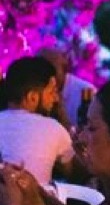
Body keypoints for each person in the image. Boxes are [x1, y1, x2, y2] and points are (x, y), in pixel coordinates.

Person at [0, 56, 83, 184]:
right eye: (52, 92)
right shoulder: (53, 128)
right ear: (32, 97)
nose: (56, 99)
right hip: (34, 196)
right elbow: (74, 173)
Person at [37, 47, 97, 128]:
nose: (45, 74)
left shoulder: (87, 92)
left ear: (65, 68)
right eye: (40, 68)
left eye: (51, 69)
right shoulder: (35, 88)